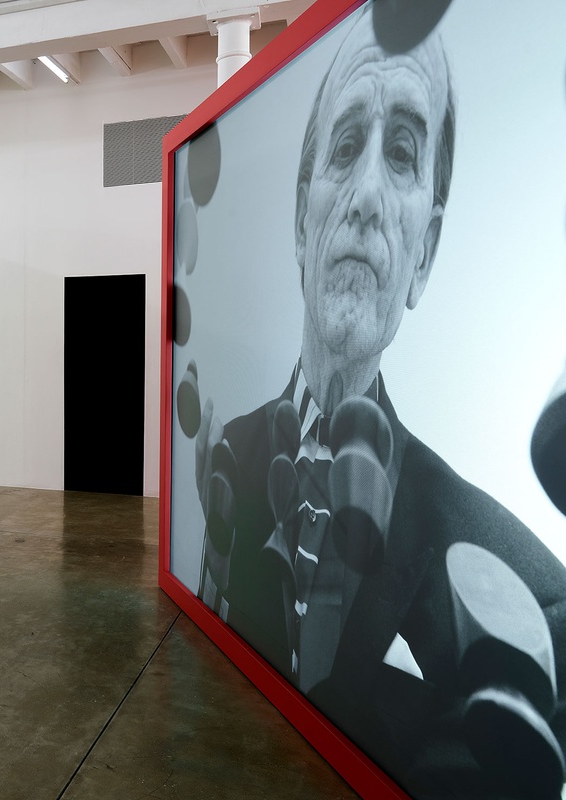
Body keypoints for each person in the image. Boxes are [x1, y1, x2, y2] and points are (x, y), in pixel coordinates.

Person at [192, 12, 566, 794]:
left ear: (423, 253)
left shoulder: (527, 595)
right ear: (303, 219)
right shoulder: (230, 454)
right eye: (345, 145)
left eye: (400, 153)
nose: (364, 196)